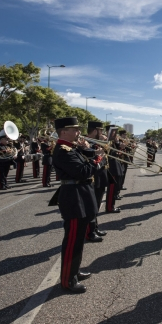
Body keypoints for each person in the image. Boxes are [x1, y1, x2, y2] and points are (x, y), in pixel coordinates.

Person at [50, 116, 102, 293]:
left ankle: (74, 271)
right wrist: (98, 162)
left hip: (81, 195)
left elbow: (84, 160)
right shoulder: (63, 150)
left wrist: (88, 151)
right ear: (63, 131)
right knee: (72, 241)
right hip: (74, 197)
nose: (78, 132)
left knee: (79, 240)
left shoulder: (72, 148)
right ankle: (67, 280)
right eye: (74, 130)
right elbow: (81, 171)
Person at [85, 121, 108, 241]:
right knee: (92, 206)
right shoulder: (86, 143)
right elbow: (92, 159)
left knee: (97, 205)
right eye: (101, 130)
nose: (102, 133)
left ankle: (95, 227)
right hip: (93, 177)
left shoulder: (97, 142)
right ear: (95, 131)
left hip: (100, 176)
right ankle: (90, 232)